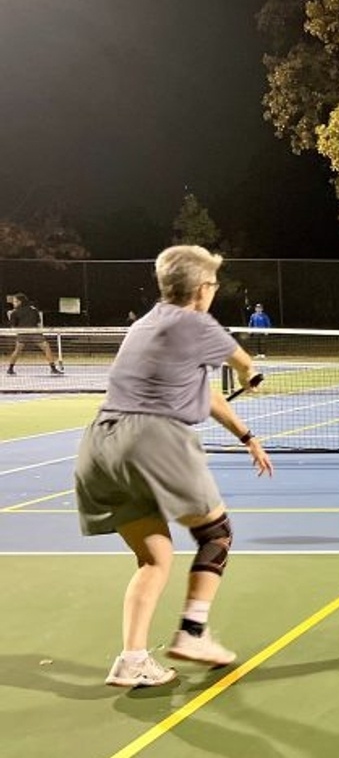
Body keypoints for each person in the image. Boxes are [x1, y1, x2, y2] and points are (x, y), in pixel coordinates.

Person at [73, 245, 273, 687]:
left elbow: (207, 393)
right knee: (216, 534)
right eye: (214, 285)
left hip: (99, 447)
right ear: (203, 289)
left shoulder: (144, 326)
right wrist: (249, 376)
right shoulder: (199, 323)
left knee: (155, 557)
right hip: (153, 439)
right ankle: (192, 633)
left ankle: (132, 659)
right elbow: (242, 363)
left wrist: (246, 436)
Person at [6, 293, 64, 375]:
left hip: (25, 332)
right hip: (33, 332)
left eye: (15, 301)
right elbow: (38, 322)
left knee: (17, 350)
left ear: (20, 302)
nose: (13, 303)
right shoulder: (33, 310)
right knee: (46, 347)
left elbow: (13, 326)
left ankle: (10, 369)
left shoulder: (15, 312)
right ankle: (53, 369)